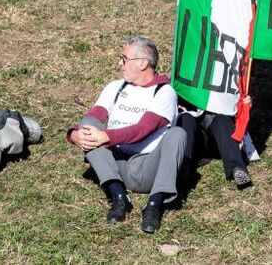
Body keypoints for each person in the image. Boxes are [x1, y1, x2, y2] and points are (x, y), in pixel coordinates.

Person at [67, 37, 186, 234]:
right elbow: (93, 116)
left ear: (142, 63)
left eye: (124, 58)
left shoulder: (164, 92)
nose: (119, 63)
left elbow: (143, 129)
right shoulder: (116, 87)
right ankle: (118, 196)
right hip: (117, 163)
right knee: (87, 124)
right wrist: (74, 135)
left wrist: (106, 137)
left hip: (148, 166)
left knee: (177, 134)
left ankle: (154, 204)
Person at [177, 96, 253, 190]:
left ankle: (237, 168)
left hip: (217, 137)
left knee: (221, 119)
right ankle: (183, 167)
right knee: (186, 118)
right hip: (193, 140)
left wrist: (244, 104)